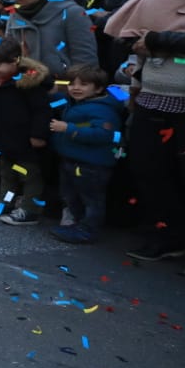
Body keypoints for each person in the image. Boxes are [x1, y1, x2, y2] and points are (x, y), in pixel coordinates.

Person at [103, 0, 185, 261]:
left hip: (180, 100)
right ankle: (164, 230)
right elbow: (127, 37)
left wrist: (154, 39)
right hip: (151, 93)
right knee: (150, 169)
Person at [46, 64, 125, 244]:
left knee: (91, 199)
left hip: (92, 165)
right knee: (71, 195)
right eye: (72, 84)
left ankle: (88, 230)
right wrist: (50, 91)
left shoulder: (103, 109)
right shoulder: (73, 103)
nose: (76, 88)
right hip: (72, 159)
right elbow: (56, 104)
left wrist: (69, 128)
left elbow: (105, 135)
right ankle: (77, 224)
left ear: (97, 88)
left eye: (83, 84)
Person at [0, 41, 52, 224]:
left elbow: (41, 111)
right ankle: (4, 203)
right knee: (7, 173)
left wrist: (38, 135)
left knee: (29, 174)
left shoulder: (30, 83)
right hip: (4, 135)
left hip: (24, 137)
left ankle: (29, 209)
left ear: (15, 61)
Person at [1, 0, 98, 80]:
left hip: (63, 87)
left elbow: (84, 56)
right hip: (26, 84)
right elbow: (8, 51)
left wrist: (77, 86)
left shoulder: (73, 13)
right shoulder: (15, 15)